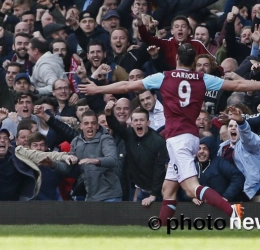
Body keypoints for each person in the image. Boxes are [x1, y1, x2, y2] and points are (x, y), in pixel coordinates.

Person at [79, 43, 260, 226]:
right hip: (189, 136)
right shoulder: (203, 78)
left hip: (179, 139)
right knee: (168, 190)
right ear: (193, 61)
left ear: (176, 58)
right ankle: (161, 229)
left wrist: (98, 89)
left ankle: (232, 211)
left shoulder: (163, 77)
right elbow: (237, 83)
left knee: (191, 189)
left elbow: (127, 85)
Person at [105, 103, 167, 206]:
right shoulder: (129, 134)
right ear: (131, 123)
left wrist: (153, 195)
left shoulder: (158, 141)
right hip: (139, 187)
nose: (138, 123)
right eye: (136, 120)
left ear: (148, 122)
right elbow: (116, 127)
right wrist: (108, 114)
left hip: (159, 191)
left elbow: (159, 170)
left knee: (159, 220)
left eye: (142, 120)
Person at [194, 136, 245, 204]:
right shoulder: (194, 166)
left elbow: (238, 177)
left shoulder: (220, 162)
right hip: (201, 208)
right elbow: (186, 186)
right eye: (199, 148)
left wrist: (226, 197)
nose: (201, 151)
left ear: (211, 150)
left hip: (222, 207)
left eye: (205, 149)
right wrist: (192, 197)